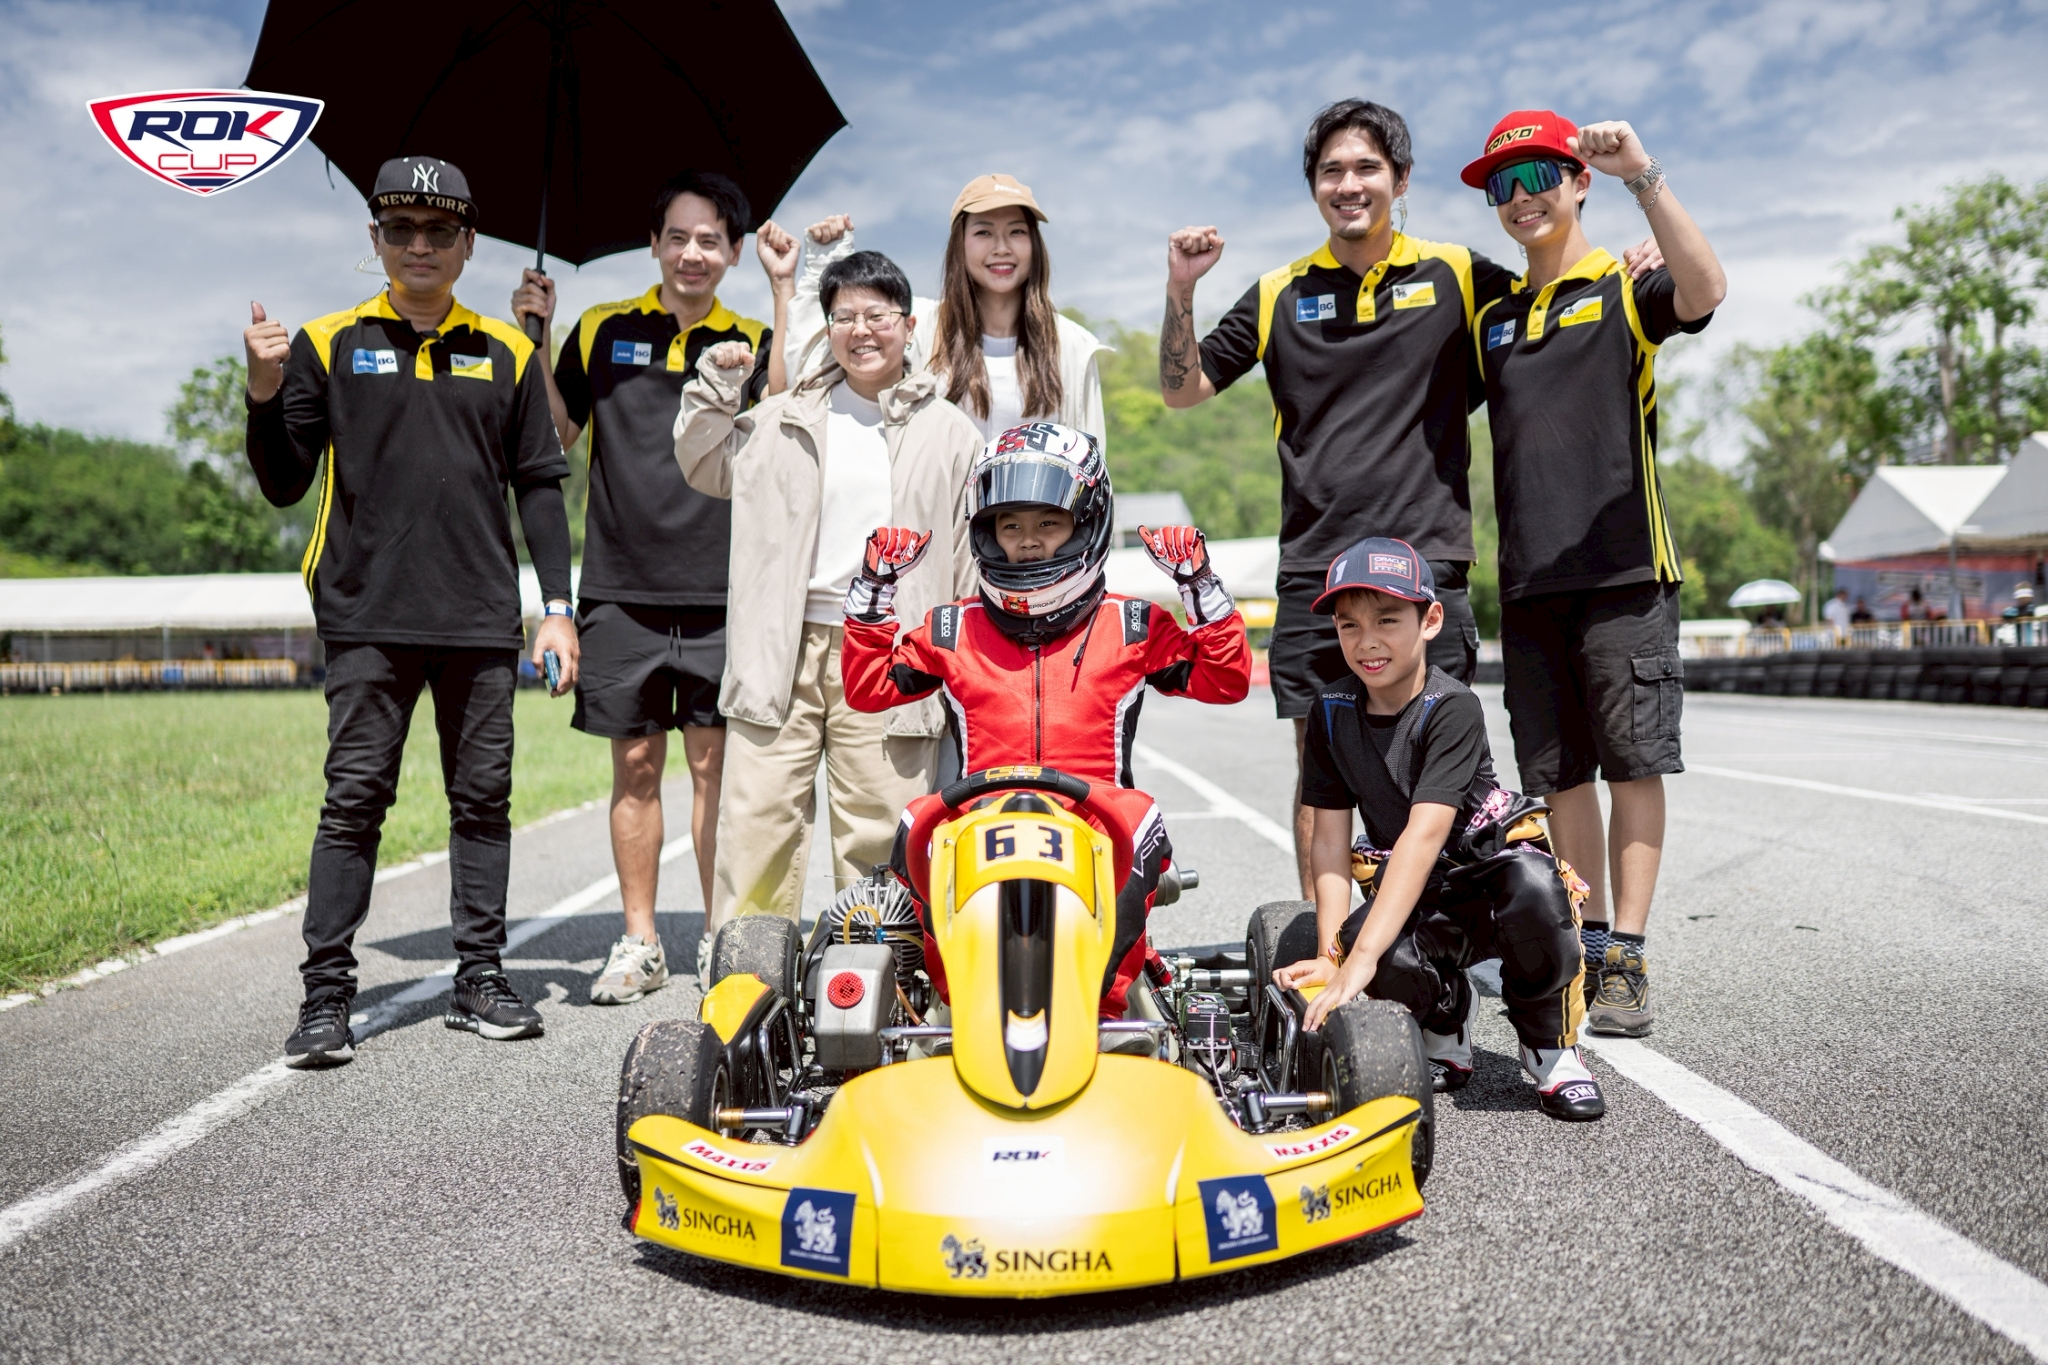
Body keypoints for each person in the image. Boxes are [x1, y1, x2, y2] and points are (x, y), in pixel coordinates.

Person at [1160, 98, 1660, 899]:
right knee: (1321, 771)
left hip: (1427, 565)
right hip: (1317, 570)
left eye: (1367, 167)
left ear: (1400, 180)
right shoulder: (1279, 291)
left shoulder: (1457, 272)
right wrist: (1182, 289)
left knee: (1437, 765)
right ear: (1313, 187)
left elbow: (1549, 297)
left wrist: (1628, 264)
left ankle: (1435, 936)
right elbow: (1182, 389)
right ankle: (1330, 940)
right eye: (1332, 170)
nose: (1349, 184)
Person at [244, 156, 576, 1067]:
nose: (419, 245)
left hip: (479, 619)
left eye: (438, 231)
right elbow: (282, 481)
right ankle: (325, 994)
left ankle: (481, 975)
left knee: (483, 801)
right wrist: (263, 394)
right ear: (376, 239)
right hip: (367, 616)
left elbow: (541, 487)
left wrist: (557, 607)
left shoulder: (509, 353)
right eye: (400, 229)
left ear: (468, 244)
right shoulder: (324, 343)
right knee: (354, 801)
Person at [840, 422, 1250, 1017]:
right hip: (978, 817)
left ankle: (1102, 1010)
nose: (1028, 543)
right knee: (915, 818)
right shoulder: (951, 628)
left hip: (1099, 822)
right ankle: (957, 1005)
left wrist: (1200, 585)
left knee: (1141, 814)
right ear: (986, 533)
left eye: (1048, 524)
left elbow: (1226, 681)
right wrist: (874, 590)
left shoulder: (1133, 624)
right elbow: (867, 688)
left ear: (1086, 524)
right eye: (1010, 526)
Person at [1467, 110, 1725, 1039]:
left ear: (1578, 183)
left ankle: (1628, 956)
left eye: (1540, 175)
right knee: (1560, 775)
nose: (1522, 197)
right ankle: (1584, 938)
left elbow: (1706, 287)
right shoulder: (1492, 318)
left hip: (1624, 574)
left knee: (1633, 762)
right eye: (1503, 185)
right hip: (1530, 586)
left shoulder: (1626, 287)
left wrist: (1642, 177)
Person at [510, 171, 774, 1003]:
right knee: (633, 766)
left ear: (734, 252)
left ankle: (718, 937)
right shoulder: (600, 327)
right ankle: (640, 942)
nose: (693, 252)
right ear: (654, 243)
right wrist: (534, 341)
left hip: (723, 591)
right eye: (679, 236)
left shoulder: (757, 341)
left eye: (711, 240)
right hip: (620, 589)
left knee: (713, 768)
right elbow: (556, 434)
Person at [675, 250, 982, 951]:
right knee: (757, 825)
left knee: (881, 830)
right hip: (781, 650)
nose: (861, 330)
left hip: (890, 655)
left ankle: (884, 984)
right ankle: (748, 981)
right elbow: (702, 462)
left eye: (877, 315)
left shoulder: (950, 431)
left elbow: (968, 564)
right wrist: (717, 388)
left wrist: (958, 667)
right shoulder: (781, 418)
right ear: (828, 327)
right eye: (844, 316)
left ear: (909, 326)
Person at [1272, 539, 1603, 1121]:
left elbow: (1424, 836)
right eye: (1349, 625)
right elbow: (1328, 839)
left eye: (1387, 620)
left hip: (1490, 880)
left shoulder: (1452, 707)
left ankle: (1549, 1045)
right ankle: (1445, 1022)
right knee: (1371, 943)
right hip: (1420, 892)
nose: (1367, 641)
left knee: (1538, 887)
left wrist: (1358, 960)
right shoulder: (1330, 711)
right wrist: (1332, 954)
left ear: (1429, 620)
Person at [780, 174, 1110, 445]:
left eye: (1017, 231)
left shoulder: (1072, 345)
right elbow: (811, 374)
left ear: (1034, 244)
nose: (1001, 247)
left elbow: (1091, 466)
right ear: (959, 244)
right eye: (983, 232)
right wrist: (823, 267)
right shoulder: (919, 325)